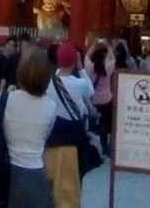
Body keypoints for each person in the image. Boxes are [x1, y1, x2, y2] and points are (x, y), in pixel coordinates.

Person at [2, 47, 57, 208]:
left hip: (7, 169)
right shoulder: (51, 106)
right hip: (36, 170)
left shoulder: (4, 99)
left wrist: (10, 92)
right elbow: (46, 135)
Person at [46, 41, 95, 208]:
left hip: (53, 137)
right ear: (75, 60)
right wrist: (81, 68)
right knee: (72, 183)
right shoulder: (79, 84)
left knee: (52, 180)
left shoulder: (50, 82)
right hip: (74, 139)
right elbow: (91, 91)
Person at [86, 39, 116, 157]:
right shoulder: (108, 67)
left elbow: (87, 56)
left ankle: (92, 149)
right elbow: (112, 57)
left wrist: (95, 44)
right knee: (105, 126)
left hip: (93, 101)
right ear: (104, 55)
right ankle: (105, 149)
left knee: (92, 127)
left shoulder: (89, 67)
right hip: (106, 100)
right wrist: (107, 45)